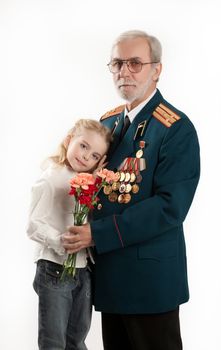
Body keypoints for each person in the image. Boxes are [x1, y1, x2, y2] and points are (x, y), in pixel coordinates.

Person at [62, 30, 200, 350]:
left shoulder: (176, 128)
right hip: (110, 275)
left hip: (151, 281)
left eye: (135, 63)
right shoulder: (107, 123)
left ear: (157, 70)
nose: (125, 71)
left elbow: (170, 207)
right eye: (117, 63)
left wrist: (96, 233)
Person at [27, 119, 112, 350]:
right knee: (54, 342)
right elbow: (33, 225)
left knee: (77, 339)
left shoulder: (89, 182)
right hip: (54, 267)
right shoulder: (51, 179)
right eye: (83, 146)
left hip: (83, 269)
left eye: (95, 155)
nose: (86, 157)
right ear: (68, 140)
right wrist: (59, 241)